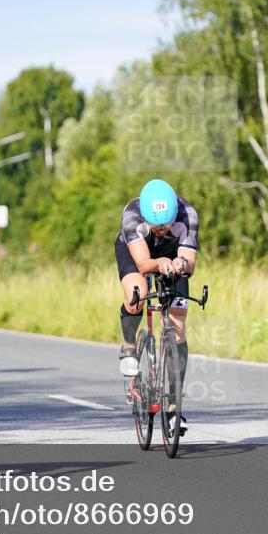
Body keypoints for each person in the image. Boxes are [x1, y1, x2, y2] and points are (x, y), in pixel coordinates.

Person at [115, 178, 198, 433]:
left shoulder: (187, 214)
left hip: (172, 256)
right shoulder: (132, 215)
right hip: (137, 254)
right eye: (156, 226)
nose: (161, 230)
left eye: (166, 225)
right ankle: (129, 347)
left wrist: (182, 264)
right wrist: (159, 262)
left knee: (178, 325)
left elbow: (190, 263)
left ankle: (173, 407)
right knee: (138, 295)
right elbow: (143, 265)